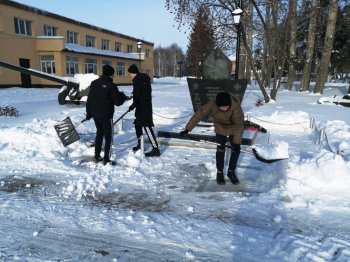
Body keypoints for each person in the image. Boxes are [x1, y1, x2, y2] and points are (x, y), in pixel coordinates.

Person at [180, 92, 244, 185]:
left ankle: (231, 172)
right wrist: (187, 129)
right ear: (217, 105)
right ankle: (220, 172)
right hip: (220, 127)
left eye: (226, 106)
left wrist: (237, 144)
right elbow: (199, 114)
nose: (225, 109)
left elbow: (239, 126)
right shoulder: (212, 104)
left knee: (235, 150)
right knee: (220, 149)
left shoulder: (236, 108)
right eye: (222, 107)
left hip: (233, 127)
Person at [86, 64, 129, 165]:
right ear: (110, 74)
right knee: (109, 136)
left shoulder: (94, 83)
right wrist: (122, 96)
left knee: (99, 133)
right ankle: (106, 158)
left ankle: (97, 154)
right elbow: (117, 102)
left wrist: (89, 113)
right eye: (113, 74)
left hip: (95, 114)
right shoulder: (111, 85)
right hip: (106, 115)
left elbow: (89, 99)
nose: (113, 76)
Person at [127, 64, 160, 157]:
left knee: (147, 127)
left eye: (129, 74)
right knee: (137, 125)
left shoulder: (138, 80)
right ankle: (140, 145)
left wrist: (133, 105)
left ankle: (155, 149)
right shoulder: (144, 79)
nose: (129, 75)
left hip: (143, 108)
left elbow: (137, 95)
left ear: (133, 73)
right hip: (143, 106)